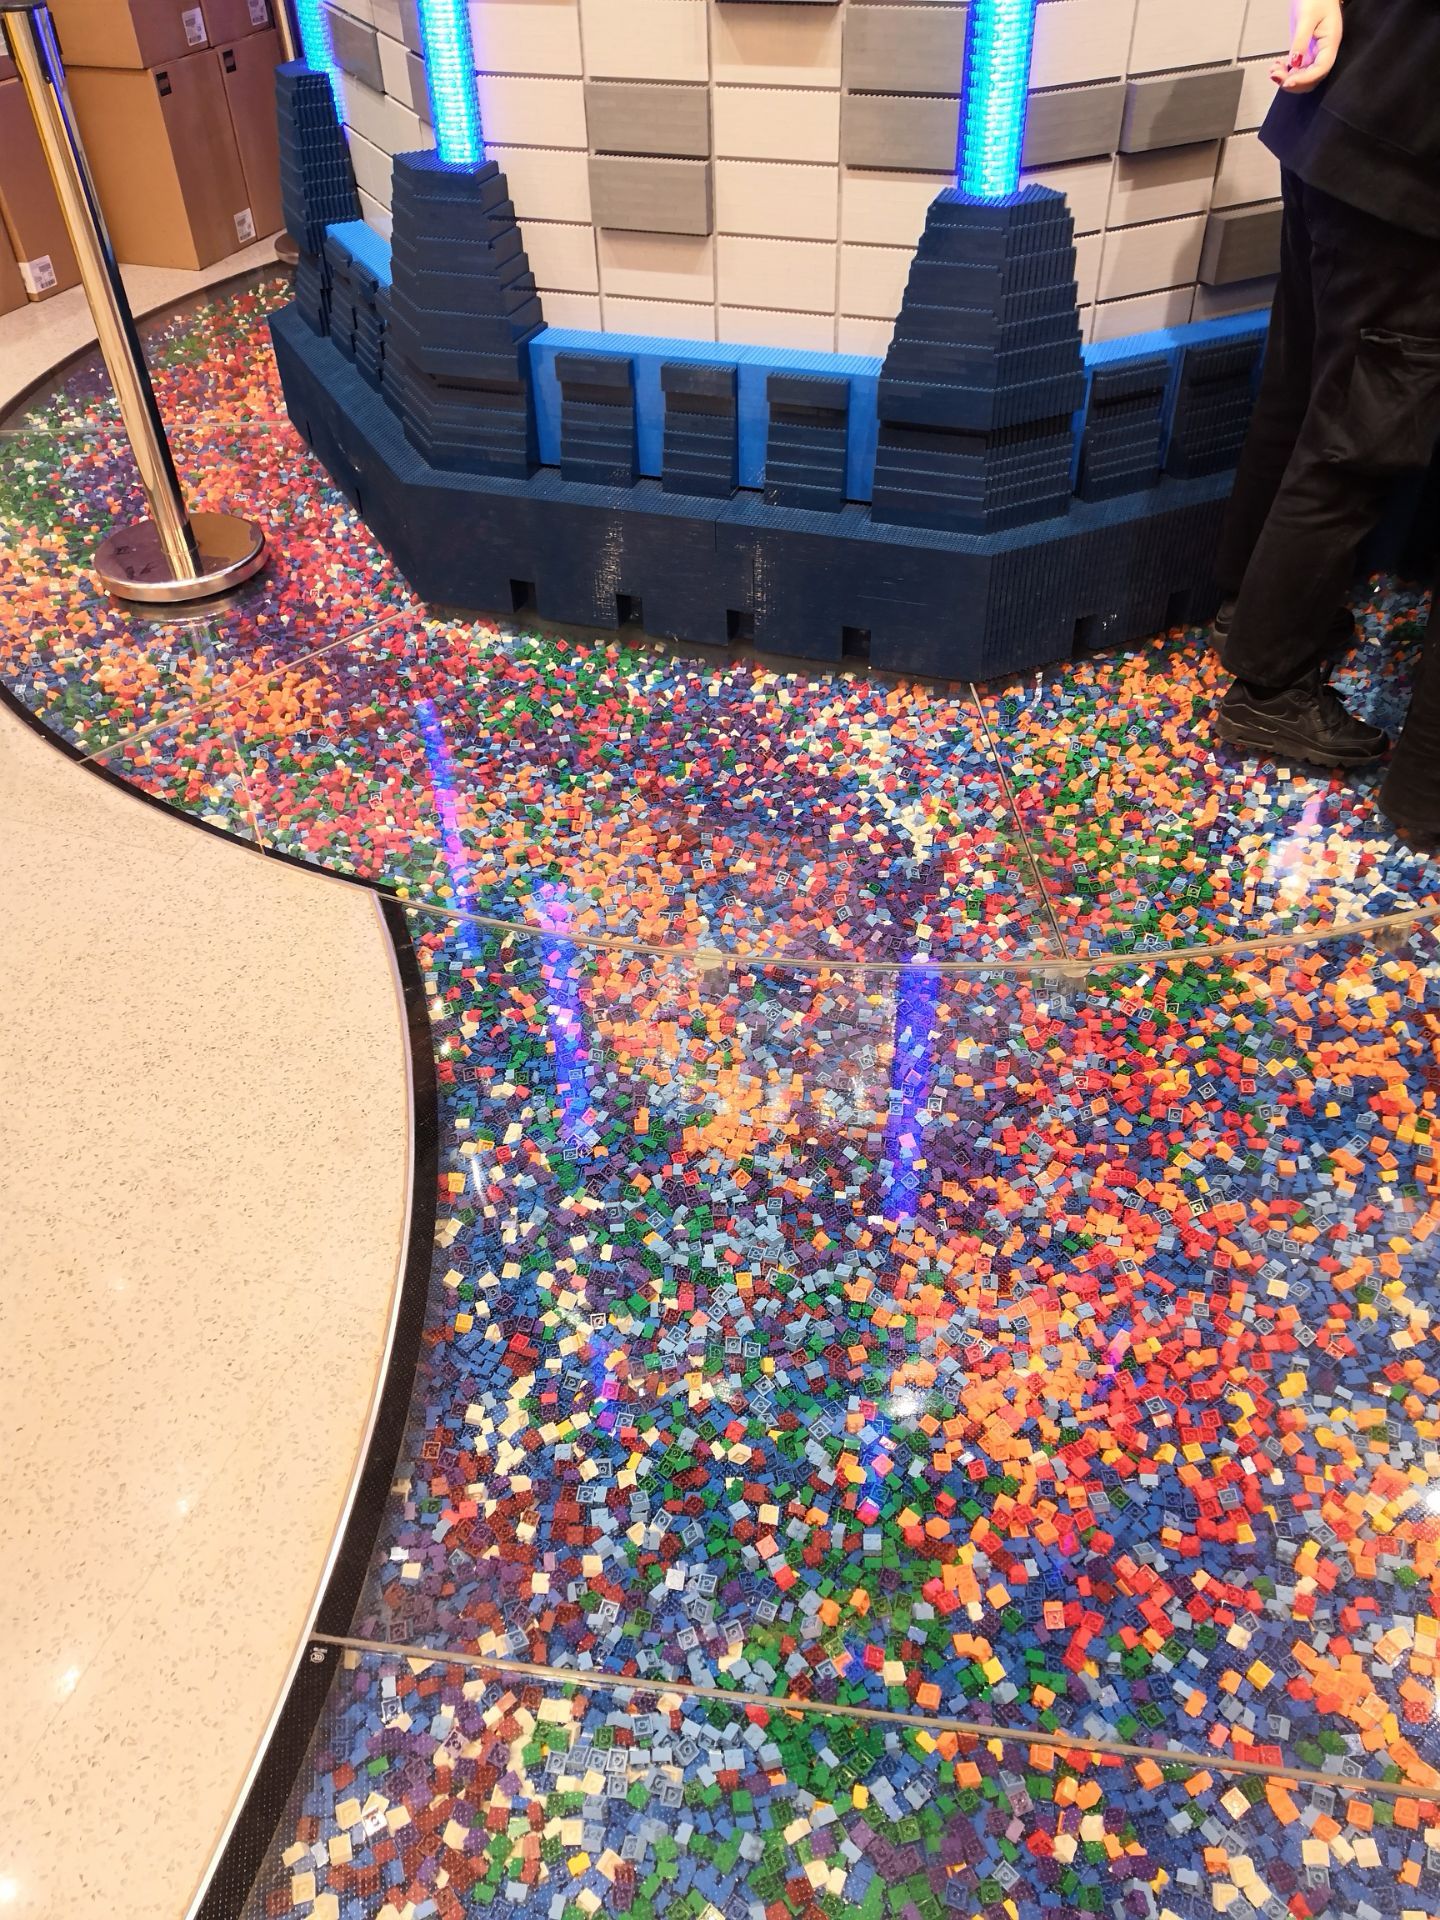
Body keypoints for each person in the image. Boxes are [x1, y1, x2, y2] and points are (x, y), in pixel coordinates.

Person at [1212, 0, 1440, 843]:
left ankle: (1249, 610)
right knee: (1357, 442)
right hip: (1410, 176)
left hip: (1339, 117)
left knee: (1302, 386)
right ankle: (1269, 688)